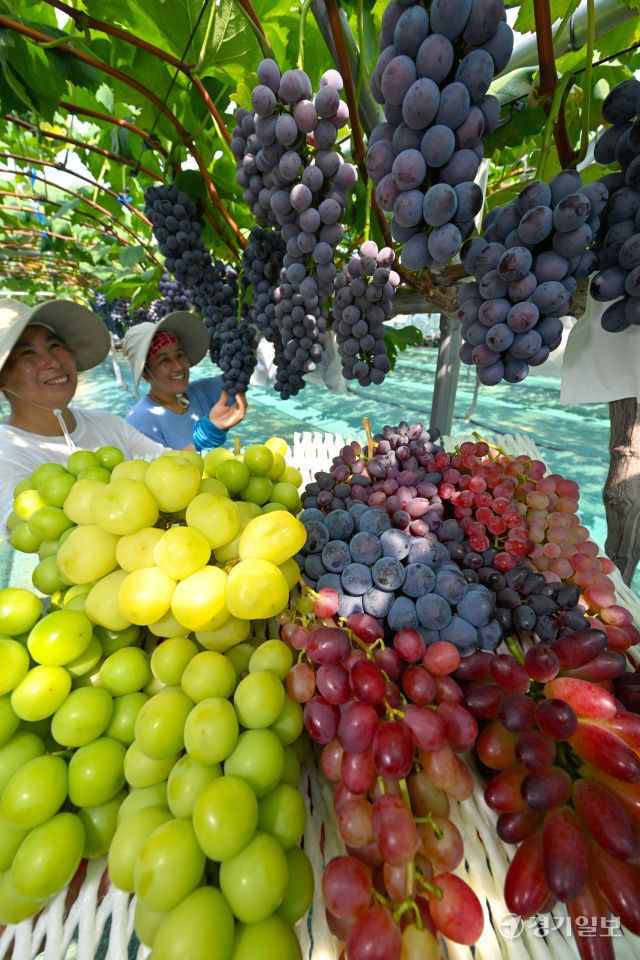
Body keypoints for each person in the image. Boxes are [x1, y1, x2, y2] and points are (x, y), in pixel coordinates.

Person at [0, 298, 166, 523]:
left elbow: (169, 463)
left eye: (55, 346)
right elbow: (31, 530)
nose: (53, 362)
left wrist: (208, 431)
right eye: (27, 353)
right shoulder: (6, 455)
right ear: (2, 380)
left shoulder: (109, 423)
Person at [123, 313, 247, 450]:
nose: (178, 366)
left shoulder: (202, 391)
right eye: (164, 360)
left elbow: (239, 372)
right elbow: (162, 467)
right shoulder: (140, 420)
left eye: (180, 355)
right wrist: (208, 435)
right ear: (146, 374)